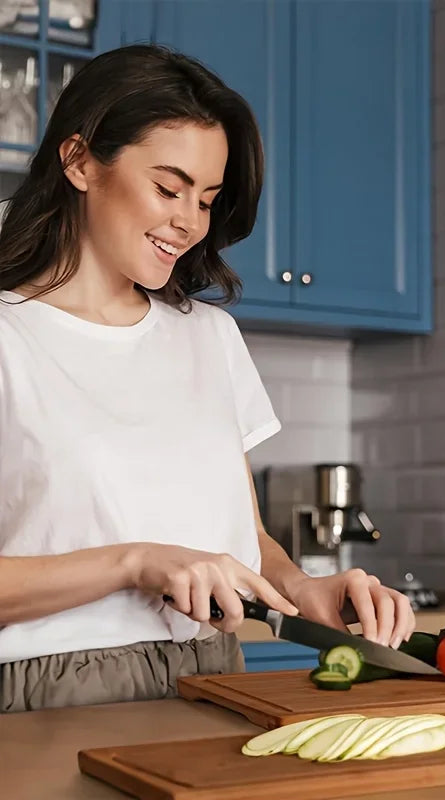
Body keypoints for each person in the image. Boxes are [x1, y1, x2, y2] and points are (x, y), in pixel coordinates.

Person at [0, 44, 414, 713]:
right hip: (54, 693)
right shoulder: (9, 338)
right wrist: (134, 563)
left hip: (216, 673)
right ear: (79, 161)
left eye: (207, 200)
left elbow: (245, 536)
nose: (189, 222)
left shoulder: (209, 337)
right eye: (169, 189)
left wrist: (301, 589)